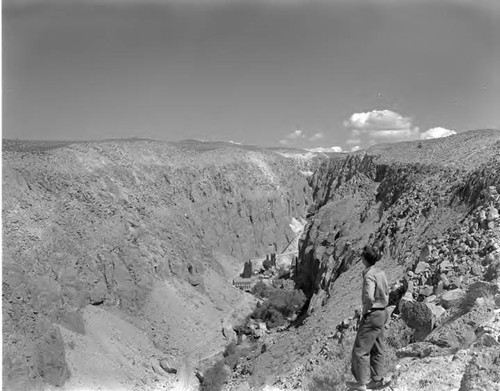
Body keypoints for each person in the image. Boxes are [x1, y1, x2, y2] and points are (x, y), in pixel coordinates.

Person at [347, 245, 390, 391]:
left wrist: (366, 310)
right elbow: (387, 291)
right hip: (383, 313)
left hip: (372, 314)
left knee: (360, 350)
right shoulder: (380, 272)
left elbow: (369, 296)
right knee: (377, 347)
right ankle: (377, 380)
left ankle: (361, 383)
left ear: (364, 259)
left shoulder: (369, 274)